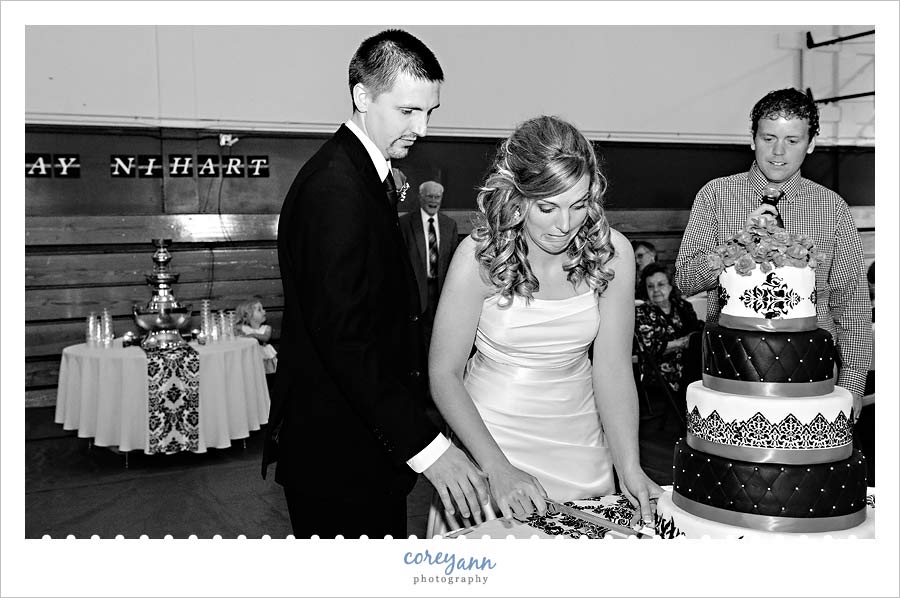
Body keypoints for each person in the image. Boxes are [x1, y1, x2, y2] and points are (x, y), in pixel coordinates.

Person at [263, 29, 488, 539]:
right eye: (408, 111)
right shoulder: (334, 188)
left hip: (365, 446)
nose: (423, 128)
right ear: (363, 97)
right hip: (338, 455)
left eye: (430, 111)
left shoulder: (363, 173)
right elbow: (343, 338)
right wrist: (429, 449)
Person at [429, 115, 662, 528]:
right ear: (517, 198)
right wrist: (496, 468)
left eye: (578, 204)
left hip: (580, 443)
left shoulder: (614, 255)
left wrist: (629, 465)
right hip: (491, 437)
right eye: (547, 207)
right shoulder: (479, 257)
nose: (565, 225)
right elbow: (444, 373)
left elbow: (611, 367)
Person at [675, 88, 872, 422]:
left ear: (810, 144)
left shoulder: (832, 208)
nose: (778, 151)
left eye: (792, 140)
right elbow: (684, 282)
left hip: (812, 376)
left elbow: (850, 302)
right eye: (769, 138)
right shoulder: (715, 196)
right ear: (752, 139)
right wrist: (739, 244)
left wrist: (853, 382)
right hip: (731, 370)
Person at [634, 263, 702, 422]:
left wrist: (691, 340)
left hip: (689, 361)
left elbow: (697, 328)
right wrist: (684, 341)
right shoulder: (642, 313)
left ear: (671, 286)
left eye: (661, 284)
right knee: (697, 350)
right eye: (650, 286)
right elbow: (651, 348)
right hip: (661, 367)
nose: (656, 290)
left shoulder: (683, 306)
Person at [399, 180, 460, 352]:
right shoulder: (406, 224)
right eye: (429, 196)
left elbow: (453, 263)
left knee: (440, 340)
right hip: (416, 292)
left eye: (437, 196)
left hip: (441, 292)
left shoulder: (450, 225)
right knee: (417, 342)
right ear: (420, 197)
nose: (434, 200)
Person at [235, 299, 278, 374]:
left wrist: (253, 335)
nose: (264, 311)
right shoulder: (243, 328)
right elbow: (235, 330)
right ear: (247, 315)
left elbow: (266, 337)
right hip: (250, 357)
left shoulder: (266, 328)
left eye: (262, 309)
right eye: (259, 310)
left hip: (264, 357)